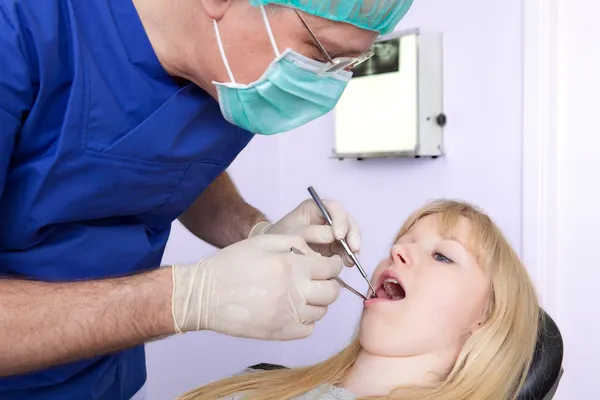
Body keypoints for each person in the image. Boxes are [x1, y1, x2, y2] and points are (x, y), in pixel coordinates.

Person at [0, 0, 414, 398]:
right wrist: (187, 297)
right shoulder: (20, 30)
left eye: (348, 64)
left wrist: (255, 231)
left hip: (105, 376)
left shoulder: (232, 71)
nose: (321, 82)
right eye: (320, 52)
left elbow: (164, 164)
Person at [177, 199, 541, 400]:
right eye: (403, 241)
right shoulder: (258, 383)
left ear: (487, 315)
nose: (397, 250)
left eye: (442, 255)